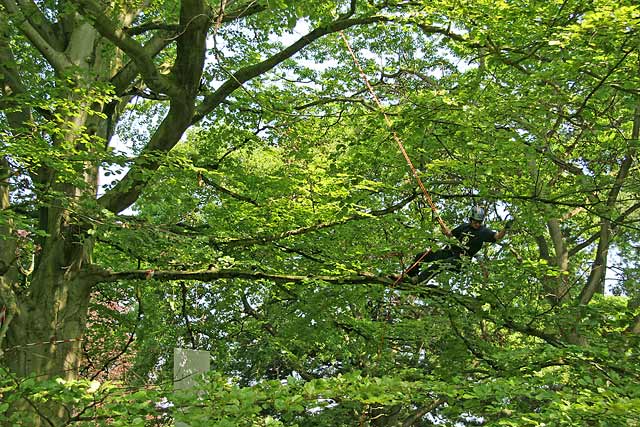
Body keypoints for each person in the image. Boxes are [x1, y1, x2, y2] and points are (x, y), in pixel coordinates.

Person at [406, 206, 513, 283]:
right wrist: (439, 221)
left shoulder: (483, 231)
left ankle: (418, 280)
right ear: (470, 220)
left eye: (479, 222)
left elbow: (497, 237)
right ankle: (408, 274)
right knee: (422, 255)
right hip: (450, 252)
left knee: (441, 264)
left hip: (461, 260)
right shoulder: (463, 227)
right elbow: (449, 234)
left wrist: (505, 229)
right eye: (475, 221)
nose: (477, 224)